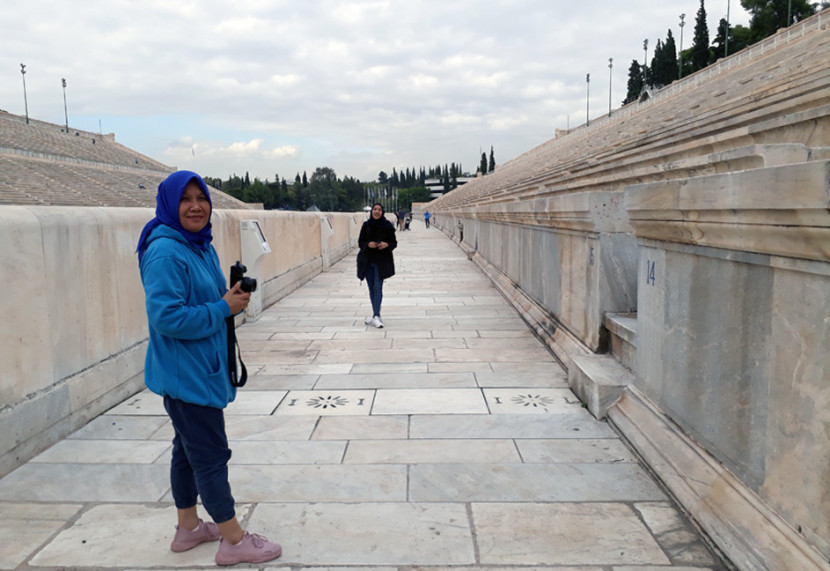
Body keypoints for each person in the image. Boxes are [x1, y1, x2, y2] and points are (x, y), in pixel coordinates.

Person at [136, 170, 282, 566]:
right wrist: (222, 308)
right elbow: (167, 317)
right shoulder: (167, 250)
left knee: (186, 451)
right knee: (210, 455)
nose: (196, 206)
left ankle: (188, 528)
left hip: (194, 369)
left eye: (201, 197)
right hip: (189, 376)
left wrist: (227, 299)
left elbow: (196, 302)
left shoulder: (195, 245)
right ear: (169, 203)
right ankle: (233, 540)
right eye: (185, 199)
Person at [357, 202, 397, 328]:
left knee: (377, 287)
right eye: (375, 209)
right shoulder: (366, 225)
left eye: (379, 209)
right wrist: (368, 244)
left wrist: (386, 245)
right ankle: (376, 314)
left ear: (382, 212)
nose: (377, 211)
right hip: (367, 261)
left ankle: (376, 315)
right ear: (371, 211)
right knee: (371, 288)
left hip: (381, 261)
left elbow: (394, 243)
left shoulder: (387, 226)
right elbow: (360, 242)